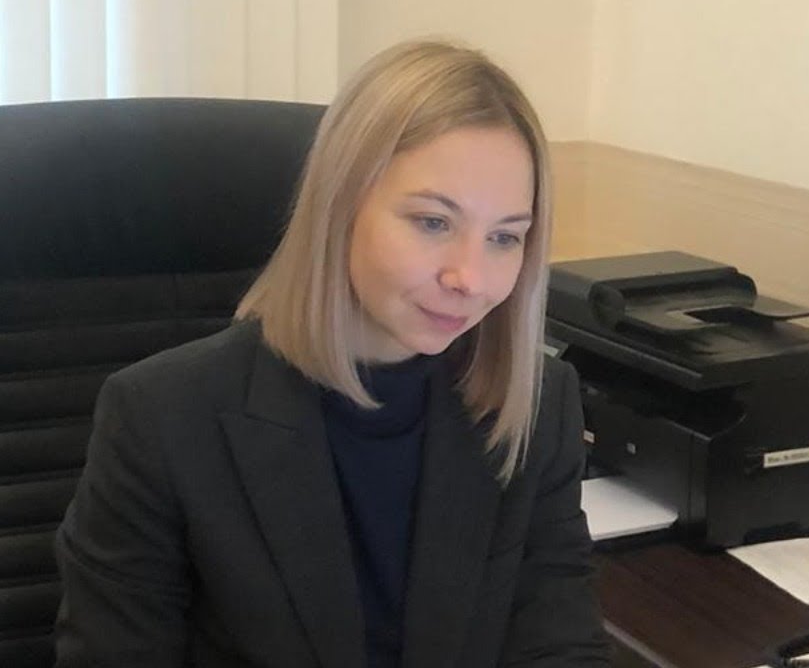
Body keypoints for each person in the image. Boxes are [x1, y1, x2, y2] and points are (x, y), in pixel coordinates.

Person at [53, 41, 610, 667]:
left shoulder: (537, 404)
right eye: (433, 222)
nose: (471, 278)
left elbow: (558, 641)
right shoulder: (160, 417)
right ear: (339, 206)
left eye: (505, 237)